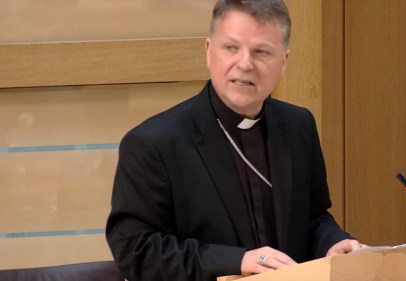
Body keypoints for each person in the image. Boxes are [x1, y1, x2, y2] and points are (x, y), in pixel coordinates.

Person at [105, 0, 362, 280]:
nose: (245, 64)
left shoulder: (298, 125)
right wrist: (238, 260)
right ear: (208, 52)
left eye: (261, 52)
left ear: (283, 62)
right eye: (231, 48)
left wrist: (332, 243)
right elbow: (137, 250)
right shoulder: (152, 143)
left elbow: (313, 218)